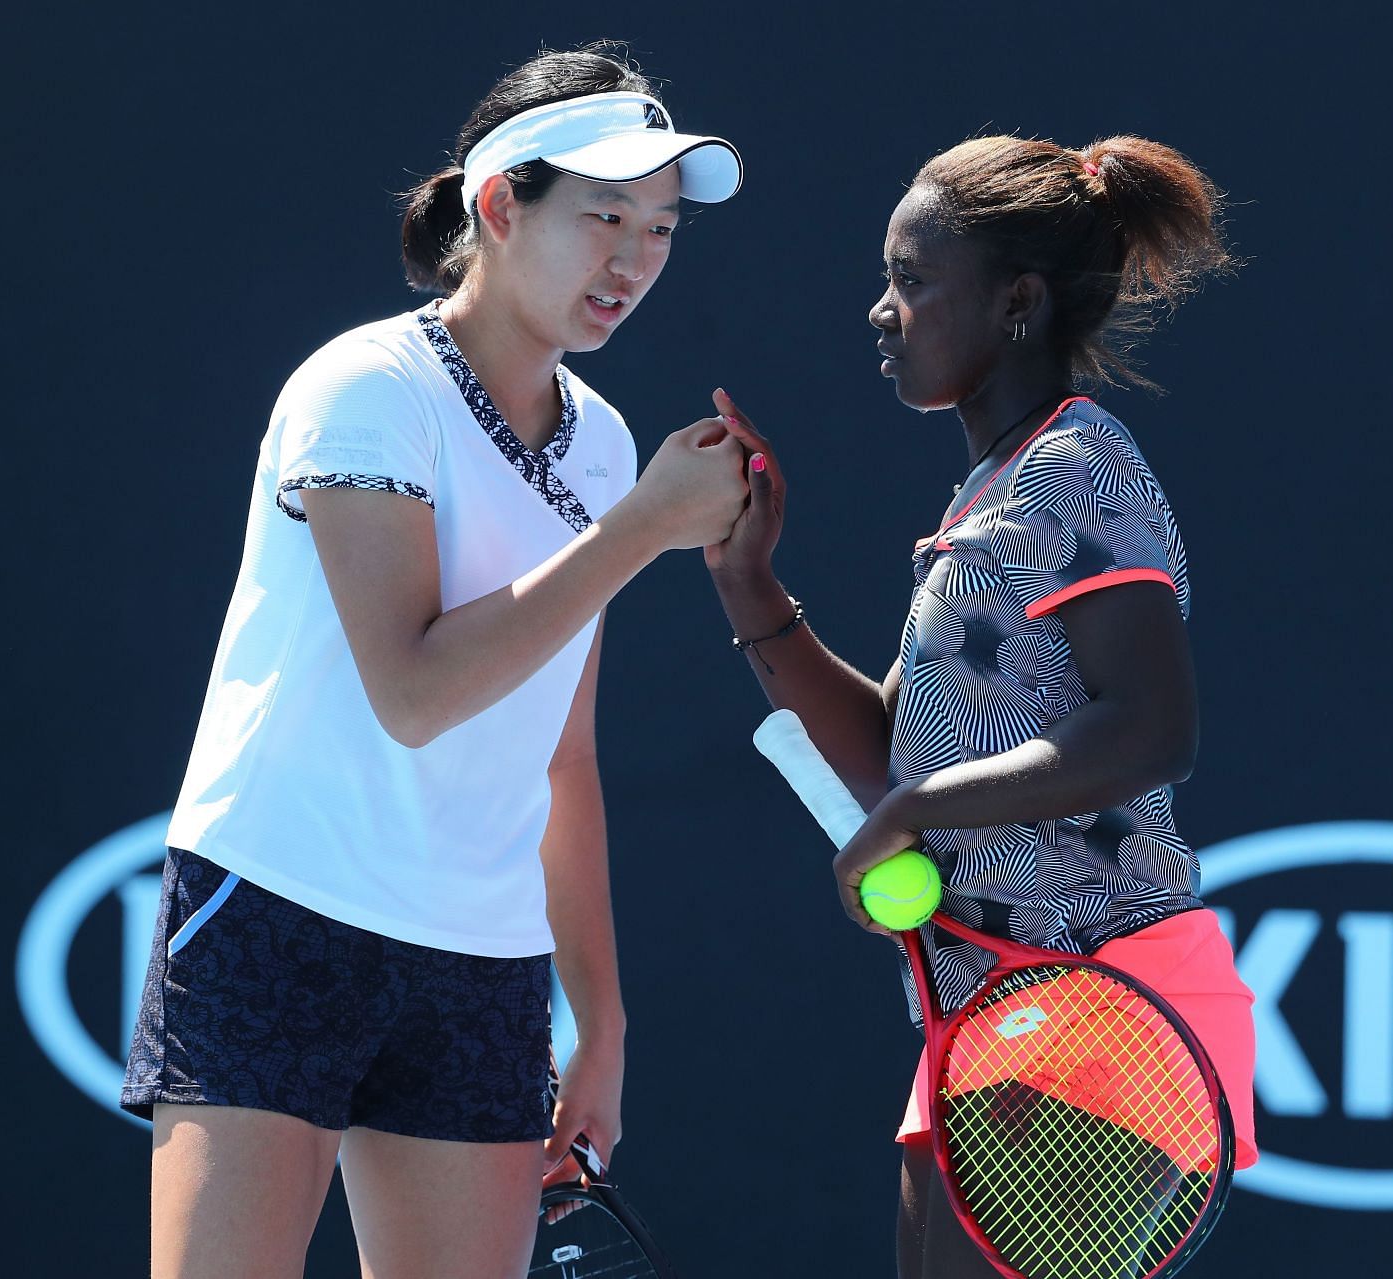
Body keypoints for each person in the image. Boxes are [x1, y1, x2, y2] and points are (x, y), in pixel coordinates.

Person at [119, 45, 749, 1278]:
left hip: (485, 962)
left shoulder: (610, 447)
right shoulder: (363, 387)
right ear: (500, 206)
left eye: (662, 228)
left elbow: (562, 753)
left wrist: (601, 1028)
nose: (634, 260)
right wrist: (638, 532)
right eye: (605, 216)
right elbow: (414, 692)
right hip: (278, 912)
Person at [704, 134, 1259, 1278]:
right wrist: (748, 581)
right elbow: (887, 763)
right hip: (1001, 1020)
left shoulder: (1079, 466)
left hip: (1093, 1019)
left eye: (913, 280)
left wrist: (916, 814)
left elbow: (1153, 726)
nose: (880, 309)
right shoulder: (990, 494)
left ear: (1016, 301)